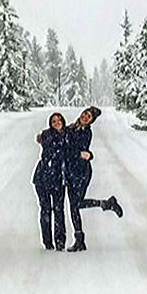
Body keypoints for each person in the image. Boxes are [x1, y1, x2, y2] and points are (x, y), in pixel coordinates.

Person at [64, 106, 123, 252]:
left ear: (91, 122)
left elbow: (73, 150)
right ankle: (79, 240)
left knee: (75, 204)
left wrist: (85, 154)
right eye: (85, 114)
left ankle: (106, 204)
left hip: (81, 172)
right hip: (70, 172)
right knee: (74, 206)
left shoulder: (86, 132)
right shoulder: (72, 127)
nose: (85, 117)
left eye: (89, 117)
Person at [32, 112, 67, 251]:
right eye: (54, 121)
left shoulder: (66, 135)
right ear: (50, 124)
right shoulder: (47, 135)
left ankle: (60, 241)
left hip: (58, 179)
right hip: (42, 178)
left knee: (59, 210)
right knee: (46, 209)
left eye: (59, 120)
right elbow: (50, 145)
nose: (57, 122)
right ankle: (47, 242)